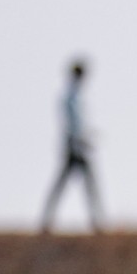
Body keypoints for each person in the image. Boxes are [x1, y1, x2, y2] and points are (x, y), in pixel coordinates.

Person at [37, 59, 102, 232]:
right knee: (84, 186)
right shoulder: (71, 97)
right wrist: (82, 140)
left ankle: (47, 221)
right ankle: (97, 223)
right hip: (75, 148)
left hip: (76, 146)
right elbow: (73, 125)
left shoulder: (74, 96)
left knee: (66, 186)